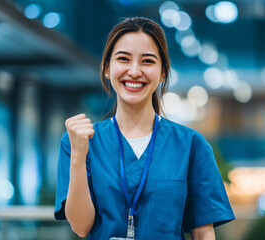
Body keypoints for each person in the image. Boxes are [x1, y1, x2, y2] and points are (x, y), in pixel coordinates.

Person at [54, 17, 235, 240]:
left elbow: (203, 233)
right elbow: (81, 227)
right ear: (107, 68)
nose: (134, 71)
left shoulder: (191, 145)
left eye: (147, 61)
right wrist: (78, 157)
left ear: (162, 73)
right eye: (123, 59)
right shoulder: (80, 140)